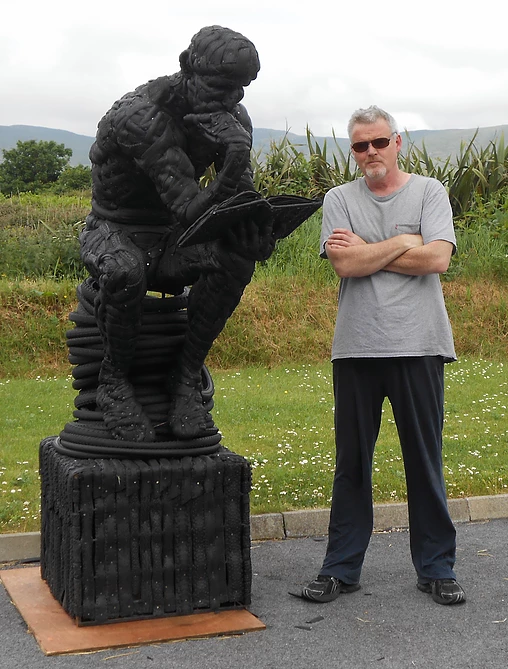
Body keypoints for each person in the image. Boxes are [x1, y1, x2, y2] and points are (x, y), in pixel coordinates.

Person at [301, 105, 465, 606]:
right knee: (352, 462)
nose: (370, 152)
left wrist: (370, 248)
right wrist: (401, 242)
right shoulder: (338, 199)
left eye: (378, 142)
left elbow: (438, 258)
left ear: (397, 142)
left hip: (420, 344)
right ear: (352, 151)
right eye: (359, 146)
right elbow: (344, 264)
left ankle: (437, 569)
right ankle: (340, 569)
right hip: (357, 347)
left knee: (424, 460)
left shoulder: (429, 191)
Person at [80, 26, 276, 443]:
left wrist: (258, 230)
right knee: (125, 271)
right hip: (115, 229)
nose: (232, 100)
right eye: (221, 87)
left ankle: (185, 376)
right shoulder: (140, 116)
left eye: (240, 90)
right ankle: (113, 382)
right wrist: (235, 157)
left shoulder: (231, 119)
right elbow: (188, 207)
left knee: (236, 257)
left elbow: (239, 198)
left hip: (172, 238)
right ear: (188, 68)